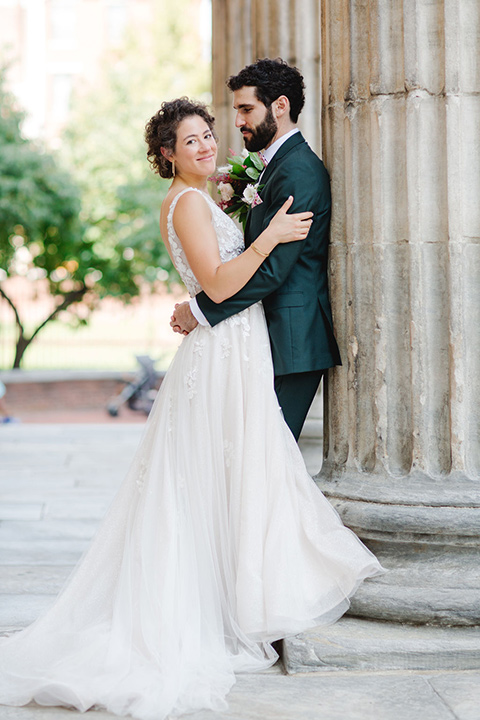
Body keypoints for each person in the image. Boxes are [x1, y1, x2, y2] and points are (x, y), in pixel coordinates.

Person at [0, 98, 383, 720]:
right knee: (219, 480)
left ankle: (240, 595)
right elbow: (221, 283)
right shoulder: (186, 204)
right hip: (220, 356)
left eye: (209, 135)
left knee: (231, 479)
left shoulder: (203, 200)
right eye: (192, 141)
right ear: (166, 155)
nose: (207, 146)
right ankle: (222, 608)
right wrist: (272, 237)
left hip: (235, 350)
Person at [171, 58, 341, 441]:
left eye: (246, 109)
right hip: (269, 338)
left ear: (279, 106)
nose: (237, 122)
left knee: (271, 463)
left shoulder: (298, 170)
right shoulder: (274, 166)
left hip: (292, 341)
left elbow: (275, 269)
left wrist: (200, 310)